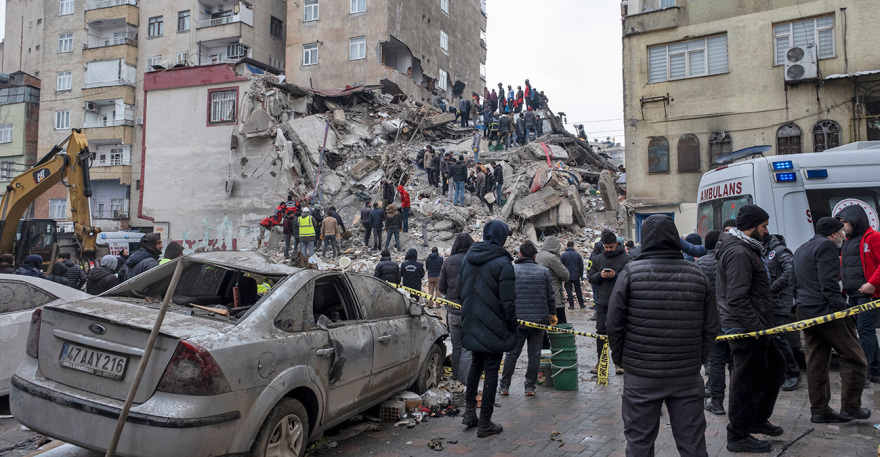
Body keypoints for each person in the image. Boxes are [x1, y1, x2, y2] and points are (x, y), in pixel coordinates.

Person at [607, 214, 720, 457]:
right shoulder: (697, 274)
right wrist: (697, 359)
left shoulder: (630, 273)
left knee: (639, 441)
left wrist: (622, 360)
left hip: (641, 375)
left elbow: (614, 324)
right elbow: (711, 327)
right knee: (693, 443)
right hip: (686, 376)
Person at [716, 205, 784, 453]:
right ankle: (737, 435)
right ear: (752, 227)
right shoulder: (739, 253)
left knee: (775, 367)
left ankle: (756, 419)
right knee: (744, 381)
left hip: (756, 325)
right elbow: (736, 298)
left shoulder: (747, 248)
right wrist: (756, 327)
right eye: (764, 226)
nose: (767, 232)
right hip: (744, 327)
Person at [793, 216, 870, 424]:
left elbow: (794, 282)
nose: (844, 236)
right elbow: (828, 284)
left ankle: (819, 410)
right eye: (842, 232)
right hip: (825, 312)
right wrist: (841, 310)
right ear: (833, 233)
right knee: (855, 358)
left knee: (816, 361)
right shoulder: (827, 247)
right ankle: (851, 408)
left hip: (805, 311)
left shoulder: (801, 249)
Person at [459, 220, 516, 438]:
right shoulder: (503, 263)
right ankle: (485, 423)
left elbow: (459, 293)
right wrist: (512, 327)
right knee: (492, 372)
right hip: (495, 327)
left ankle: (469, 413)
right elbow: (508, 303)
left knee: (476, 366)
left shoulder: (468, 258)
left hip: (472, 323)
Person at [499, 241, 557, 397]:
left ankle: (504, 386)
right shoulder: (544, 271)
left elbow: (504, 294)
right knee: (534, 354)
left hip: (517, 321)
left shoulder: (511, 270)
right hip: (539, 321)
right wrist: (552, 314)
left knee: (512, 354)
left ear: (519, 255)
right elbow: (550, 296)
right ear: (535, 256)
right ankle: (530, 387)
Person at [836, 205, 880, 384]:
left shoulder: (873, 238)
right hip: (853, 293)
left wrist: (873, 283)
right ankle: (875, 370)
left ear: (856, 221)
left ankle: (865, 372)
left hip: (868, 294)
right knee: (864, 331)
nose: (843, 226)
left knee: (865, 331)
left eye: (845, 222)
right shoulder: (848, 241)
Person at [697, 231, 734, 416]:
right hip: (734, 318)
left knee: (717, 362)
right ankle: (737, 402)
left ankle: (717, 402)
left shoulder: (701, 264)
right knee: (735, 362)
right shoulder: (732, 260)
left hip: (712, 320)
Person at [588, 230, 632, 374]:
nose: (608, 250)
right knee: (601, 332)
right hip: (602, 302)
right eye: (606, 247)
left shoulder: (626, 259)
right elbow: (591, 278)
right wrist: (600, 275)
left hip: (620, 302)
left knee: (620, 331)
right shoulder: (597, 259)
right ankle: (600, 362)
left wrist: (615, 275)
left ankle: (619, 363)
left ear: (617, 245)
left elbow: (631, 278)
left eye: (611, 247)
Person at [763, 233, 801, 391]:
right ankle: (780, 373)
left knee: (779, 338)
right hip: (770, 303)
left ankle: (792, 373)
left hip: (780, 302)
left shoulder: (780, 251)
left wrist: (771, 289)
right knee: (771, 340)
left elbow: (790, 272)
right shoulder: (765, 251)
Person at [440, 233, 475, 383]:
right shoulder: (474, 261)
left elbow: (442, 287)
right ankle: (464, 382)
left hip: (452, 312)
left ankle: (456, 380)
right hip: (470, 311)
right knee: (468, 348)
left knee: (456, 347)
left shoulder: (448, 262)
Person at [536, 236, 570, 324]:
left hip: (540, 297)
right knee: (560, 327)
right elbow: (565, 275)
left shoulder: (537, 255)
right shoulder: (551, 258)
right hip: (555, 297)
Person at [561, 241, 586, 309]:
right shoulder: (577, 255)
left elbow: (561, 266)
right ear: (573, 246)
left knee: (569, 290)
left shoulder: (563, 255)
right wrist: (581, 277)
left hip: (567, 276)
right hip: (576, 276)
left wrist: (562, 276)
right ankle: (581, 304)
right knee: (578, 290)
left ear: (567, 246)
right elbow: (581, 266)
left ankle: (571, 305)